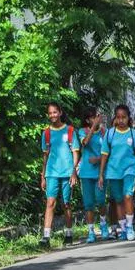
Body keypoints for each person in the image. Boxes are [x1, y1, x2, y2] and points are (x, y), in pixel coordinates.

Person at [98, 104, 135, 241]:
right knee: (118, 200)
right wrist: (101, 175)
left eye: (124, 117)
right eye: (119, 117)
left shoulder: (134, 134)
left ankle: (129, 226)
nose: (121, 120)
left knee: (128, 196)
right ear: (115, 118)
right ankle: (122, 228)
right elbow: (104, 155)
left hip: (130, 169)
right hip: (113, 171)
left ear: (129, 118)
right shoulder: (110, 134)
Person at [39, 102, 80, 247]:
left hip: (67, 172)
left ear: (60, 113)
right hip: (51, 172)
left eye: (55, 112)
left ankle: (68, 234)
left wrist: (74, 172)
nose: (52, 115)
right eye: (50, 113)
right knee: (50, 203)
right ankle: (46, 237)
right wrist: (43, 175)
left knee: (66, 203)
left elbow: (75, 152)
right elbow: (45, 155)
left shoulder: (69, 131)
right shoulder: (47, 133)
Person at [78, 108, 109, 243]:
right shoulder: (82, 131)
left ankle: (103, 224)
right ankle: (91, 230)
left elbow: (109, 151)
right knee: (88, 203)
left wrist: (98, 160)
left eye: (97, 116)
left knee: (101, 200)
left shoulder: (104, 132)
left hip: (100, 172)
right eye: (93, 117)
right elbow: (85, 143)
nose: (97, 119)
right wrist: (93, 127)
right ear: (87, 120)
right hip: (86, 173)